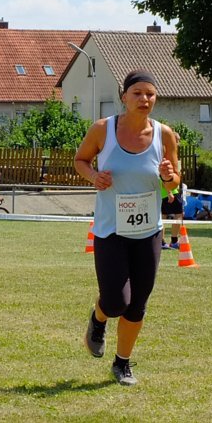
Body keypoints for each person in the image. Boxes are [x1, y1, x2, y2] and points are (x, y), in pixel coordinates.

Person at [74, 69, 180, 386]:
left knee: (137, 305)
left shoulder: (165, 136)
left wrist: (166, 176)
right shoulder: (102, 130)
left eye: (150, 94)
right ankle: (98, 318)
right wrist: (95, 177)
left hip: (148, 231)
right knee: (116, 301)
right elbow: (80, 160)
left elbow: (175, 182)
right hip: (110, 231)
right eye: (137, 93)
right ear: (124, 97)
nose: (144, 99)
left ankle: (122, 364)